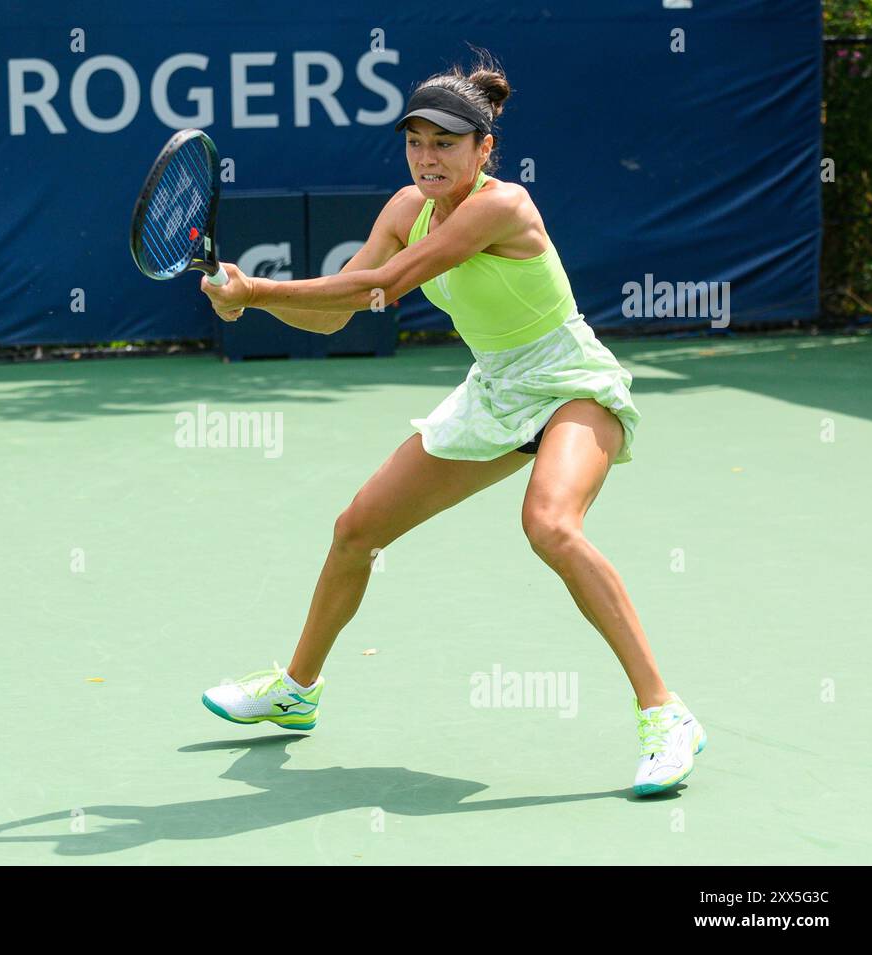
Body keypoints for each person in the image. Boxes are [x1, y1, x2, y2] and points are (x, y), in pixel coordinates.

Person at [198, 52, 706, 797]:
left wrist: (258, 285)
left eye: (445, 141)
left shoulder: (505, 206)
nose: (427, 156)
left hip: (569, 380)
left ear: (483, 148)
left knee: (551, 525)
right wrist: (245, 299)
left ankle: (665, 713)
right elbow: (339, 312)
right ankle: (297, 688)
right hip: (495, 387)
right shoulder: (405, 209)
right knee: (356, 529)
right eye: (416, 141)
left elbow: (385, 283)